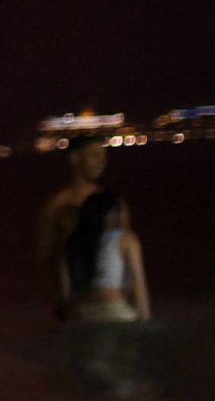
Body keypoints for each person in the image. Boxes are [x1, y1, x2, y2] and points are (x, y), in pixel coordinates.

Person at [35, 135, 119, 302]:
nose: (102, 162)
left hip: (111, 296)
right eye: (95, 155)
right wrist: (59, 297)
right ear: (75, 158)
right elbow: (45, 255)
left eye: (103, 157)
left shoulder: (111, 203)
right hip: (77, 297)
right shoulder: (57, 206)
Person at [58, 188, 150, 323]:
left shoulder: (73, 243)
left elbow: (65, 294)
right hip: (115, 311)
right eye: (123, 211)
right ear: (110, 214)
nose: (126, 216)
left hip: (82, 314)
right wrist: (146, 321)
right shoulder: (127, 239)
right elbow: (139, 285)